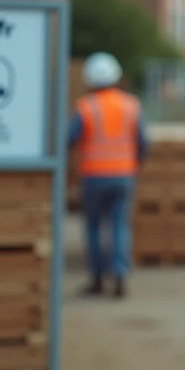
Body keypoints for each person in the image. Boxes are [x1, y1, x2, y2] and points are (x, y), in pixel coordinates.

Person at [68, 51, 147, 299]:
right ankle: (120, 274)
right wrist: (135, 164)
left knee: (93, 227)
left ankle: (97, 279)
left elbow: (68, 140)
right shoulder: (131, 105)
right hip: (123, 175)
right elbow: (143, 142)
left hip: (94, 176)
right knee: (119, 226)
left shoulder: (85, 107)